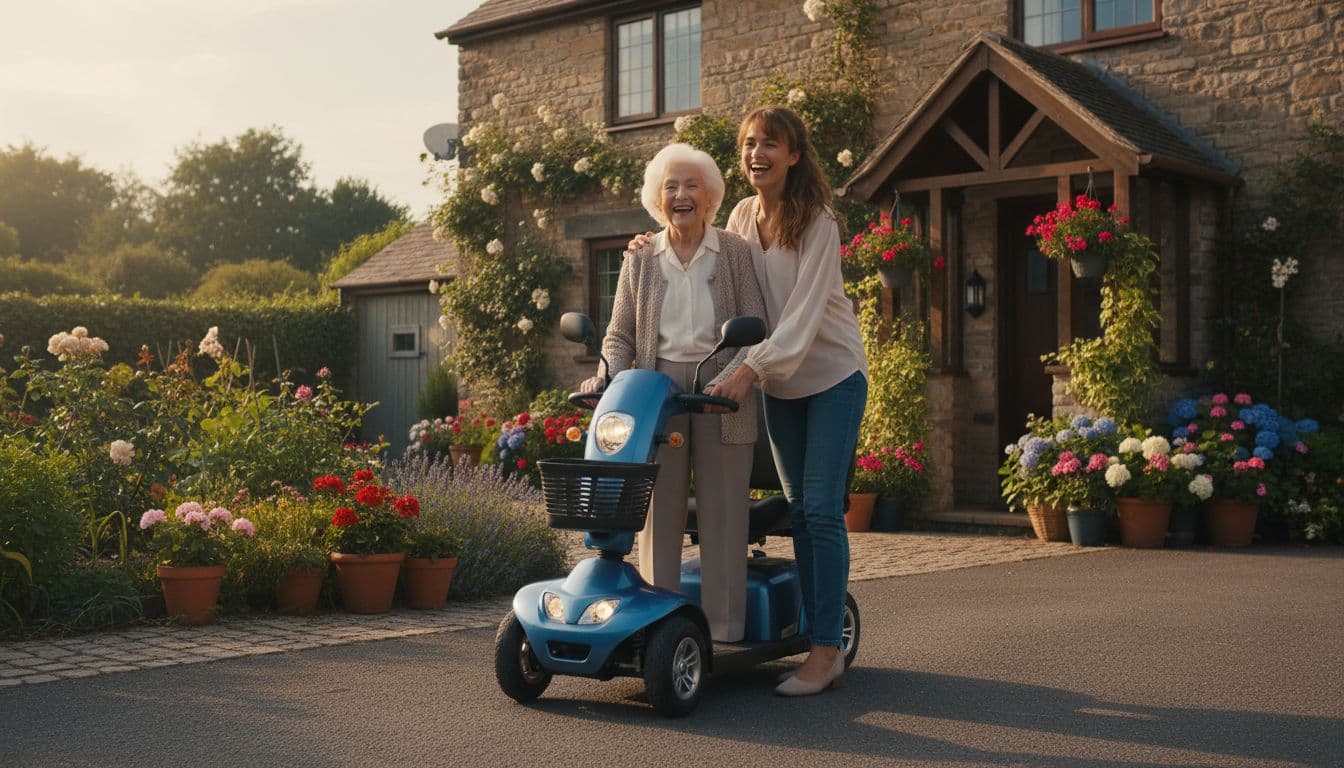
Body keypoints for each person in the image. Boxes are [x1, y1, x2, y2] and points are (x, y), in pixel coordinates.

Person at [580, 142, 767, 644]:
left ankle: (725, 631)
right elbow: (620, 335)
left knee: (724, 512)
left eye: (691, 186)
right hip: (654, 391)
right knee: (657, 514)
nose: (681, 194)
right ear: (657, 199)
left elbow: (757, 325)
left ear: (709, 198)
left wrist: (724, 378)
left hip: (723, 386)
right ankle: (657, 630)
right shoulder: (640, 258)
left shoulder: (733, 251)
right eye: (671, 186)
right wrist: (609, 377)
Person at [712, 106, 870, 696]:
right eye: (749, 143)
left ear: (794, 154)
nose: (757, 154)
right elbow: (714, 270)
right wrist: (649, 243)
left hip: (831, 377)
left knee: (823, 511)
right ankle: (816, 631)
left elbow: (801, 321)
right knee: (798, 510)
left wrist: (748, 370)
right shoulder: (741, 216)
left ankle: (824, 651)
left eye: (770, 145)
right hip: (782, 385)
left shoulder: (818, 222)